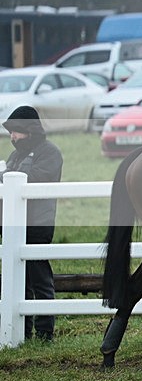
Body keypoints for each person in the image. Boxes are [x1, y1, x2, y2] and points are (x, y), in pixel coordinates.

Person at [0, 106, 63, 341]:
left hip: (37, 225)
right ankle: (23, 332)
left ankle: (45, 333)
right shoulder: (17, 155)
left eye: (16, 132)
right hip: (15, 227)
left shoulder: (50, 153)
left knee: (40, 280)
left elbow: (36, 179)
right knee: (19, 281)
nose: (12, 137)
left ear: (29, 131)